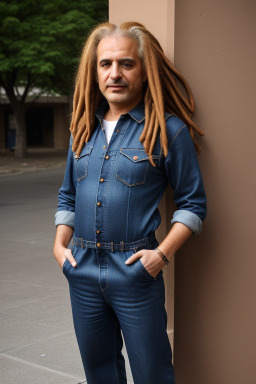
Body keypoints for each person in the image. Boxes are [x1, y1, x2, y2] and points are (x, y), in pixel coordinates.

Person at [53, 21, 206, 384]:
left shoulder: (167, 130)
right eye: (106, 64)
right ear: (95, 72)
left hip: (135, 271)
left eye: (126, 64)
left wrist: (160, 256)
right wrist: (59, 246)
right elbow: (67, 195)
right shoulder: (81, 128)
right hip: (82, 270)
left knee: (153, 375)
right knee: (100, 375)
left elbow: (193, 205)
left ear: (143, 70)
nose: (115, 74)